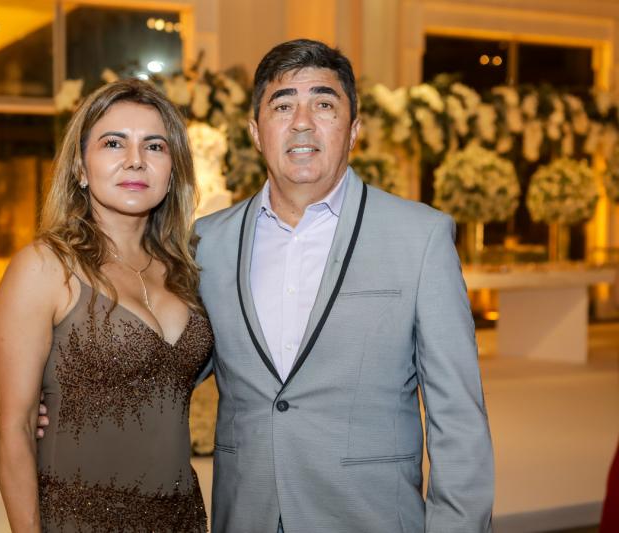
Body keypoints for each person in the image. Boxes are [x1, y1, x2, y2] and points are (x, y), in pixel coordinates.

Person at [39, 39, 494, 532]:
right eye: (282, 106)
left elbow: (458, 417)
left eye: (324, 104)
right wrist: (72, 397)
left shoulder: (420, 238)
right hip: (247, 514)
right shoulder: (207, 243)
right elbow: (172, 362)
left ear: (354, 130)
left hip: (369, 516)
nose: (302, 122)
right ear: (256, 132)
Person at [0, 79, 213, 533]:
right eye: (114, 143)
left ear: (173, 170)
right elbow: (15, 430)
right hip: (79, 518)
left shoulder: (188, 268)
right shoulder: (44, 267)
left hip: (181, 517)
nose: (135, 159)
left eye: (155, 146)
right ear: (80, 166)